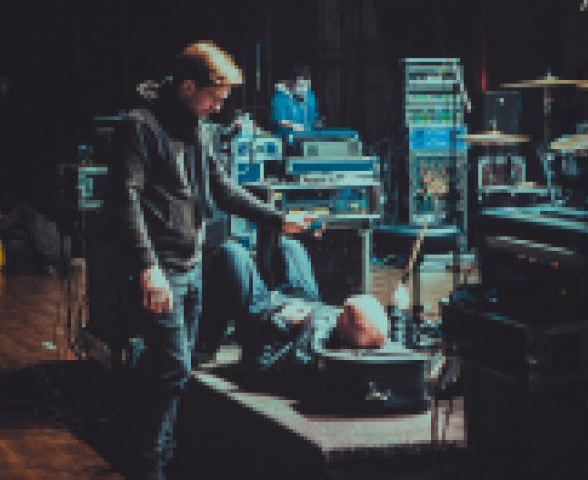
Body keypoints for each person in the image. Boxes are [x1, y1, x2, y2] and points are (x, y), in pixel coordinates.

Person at [112, 41, 310, 480]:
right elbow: (125, 200)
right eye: (213, 97)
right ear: (187, 86)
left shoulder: (197, 128)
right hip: (161, 269)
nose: (218, 107)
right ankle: (147, 465)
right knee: (172, 368)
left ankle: (154, 455)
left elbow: (221, 188)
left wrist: (279, 220)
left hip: (190, 265)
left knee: (170, 372)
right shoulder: (140, 127)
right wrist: (147, 266)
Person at [203, 237, 389, 384]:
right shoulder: (365, 332)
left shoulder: (309, 353)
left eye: (343, 312)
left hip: (265, 316)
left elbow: (257, 368)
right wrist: (396, 308)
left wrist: (281, 322)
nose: (340, 310)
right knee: (290, 246)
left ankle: (203, 346)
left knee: (231, 253)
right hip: (306, 303)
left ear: (343, 326)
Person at [270, 64, 320, 142]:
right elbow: (280, 121)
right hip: (286, 141)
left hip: (309, 139)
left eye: (307, 86)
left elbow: (314, 118)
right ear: (292, 83)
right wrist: (296, 127)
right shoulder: (280, 98)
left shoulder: (310, 96)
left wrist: (317, 123)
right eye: (300, 85)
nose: (304, 89)